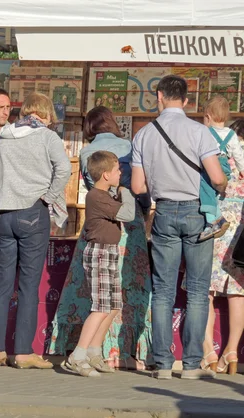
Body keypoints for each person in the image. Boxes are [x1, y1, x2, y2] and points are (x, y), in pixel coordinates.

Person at [131, 74, 227, 380]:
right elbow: (217, 178)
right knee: (198, 291)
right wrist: (222, 185)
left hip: (163, 213)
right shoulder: (200, 131)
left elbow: (137, 186)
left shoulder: (143, 134)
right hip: (196, 213)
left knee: (162, 291)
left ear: (158, 96)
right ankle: (190, 365)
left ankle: (160, 362)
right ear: (186, 100)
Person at [49, 106, 153, 371]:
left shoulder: (87, 152)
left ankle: (87, 348)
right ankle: (123, 350)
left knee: (99, 296)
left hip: (97, 228)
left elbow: (91, 186)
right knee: (125, 289)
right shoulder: (129, 146)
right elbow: (138, 191)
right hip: (129, 225)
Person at [0, 92, 71, 369]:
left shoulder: (3, 134)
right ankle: (23, 353)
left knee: (2, 284)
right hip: (32, 212)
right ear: (46, 114)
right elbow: (63, 170)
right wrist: (48, 197)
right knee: (28, 285)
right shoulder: (47, 137)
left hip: (3, 214)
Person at [64, 151, 135, 377]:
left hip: (110, 252)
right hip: (100, 253)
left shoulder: (106, 194)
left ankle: (94, 351)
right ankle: (77, 355)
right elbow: (129, 213)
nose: (120, 173)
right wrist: (126, 192)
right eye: (117, 170)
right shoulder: (97, 196)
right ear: (105, 175)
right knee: (101, 307)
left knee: (114, 305)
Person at [200, 117, 244, 375]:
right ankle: (231, 350)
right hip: (240, 233)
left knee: (205, 290)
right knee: (238, 293)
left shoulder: (218, 157)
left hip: (217, 225)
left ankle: (209, 351)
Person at [198, 97, 244, 241]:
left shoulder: (206, 133)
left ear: (208, 116)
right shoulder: (232, 135)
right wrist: (242, 170)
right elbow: (238, 156)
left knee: (204, 189)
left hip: (211, 165)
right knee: (211, 194)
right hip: (225, 168)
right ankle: (215, 218)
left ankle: (213, 220)